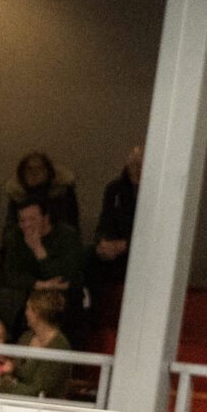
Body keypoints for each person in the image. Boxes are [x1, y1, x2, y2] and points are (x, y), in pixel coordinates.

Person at [0, 200, 86, 332]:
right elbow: (10, 274)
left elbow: (64, 277)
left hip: (66, 299)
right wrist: (39, 284)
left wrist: (38, 249)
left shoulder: (67, 236)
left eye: (32, 219)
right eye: (22, 220)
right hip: (33, 296)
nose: (27, 224)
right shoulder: (16, 237)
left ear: (46, 218)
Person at [88, 144, 141, 337]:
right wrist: (102, 243)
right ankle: (93, 321)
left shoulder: (159, 194)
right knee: (90, 257)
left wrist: (127, 245)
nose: (138, 170)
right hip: (115, 251)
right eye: (135, 165)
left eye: (143, 166)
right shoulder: (115, 189)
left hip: (141, 253)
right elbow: (104, 223)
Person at [5, 149, 79, 231]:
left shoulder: (62, 193)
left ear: (49, 172)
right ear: (22, 174)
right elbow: (10, 227)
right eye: (29, 169)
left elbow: (70, 225)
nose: (34, 173)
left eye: (39, 168)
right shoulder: (18, 195)